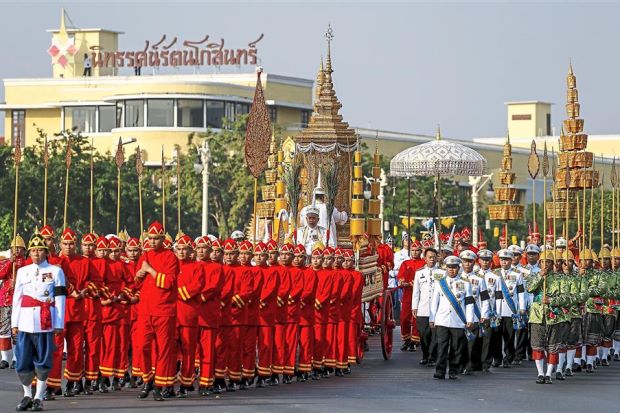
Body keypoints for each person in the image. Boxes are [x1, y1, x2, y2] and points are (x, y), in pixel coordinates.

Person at [12, 233, 66, 412]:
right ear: (29, 253)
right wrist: (15, 322)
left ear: (46, 252)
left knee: (43, 361)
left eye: (40, 250)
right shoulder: (22, 271)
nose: (36, 254)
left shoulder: (56, 271)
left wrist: (59, 323)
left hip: (45, 322)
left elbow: (60, 299)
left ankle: (38, 397)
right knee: (22, 361)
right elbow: (17, 298)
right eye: (33, 251)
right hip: (25, 322)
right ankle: (27, 395)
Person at [134, 221, 179, 401]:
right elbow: (137, 282)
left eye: (156, 239)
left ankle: (160, 386)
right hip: (145, 310)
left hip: (164, 310)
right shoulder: (144, 256)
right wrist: (139, 275)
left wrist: (150, 270)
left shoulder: (170, 257)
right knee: (141, 346)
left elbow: (169, 283)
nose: (152, 242)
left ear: (162, 238)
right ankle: (147, 378)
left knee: (164, 350)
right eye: (150, 238)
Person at [429, 256, 474, 380]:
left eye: (454, 268)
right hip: (442, 320)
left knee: (457, 347)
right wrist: (432, 319)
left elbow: (470, 303)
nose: (451, 270)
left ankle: (454, 370)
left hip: (458, 320)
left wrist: (469, 319)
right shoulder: (440, 283)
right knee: (441, 347)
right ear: (446, 268)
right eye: (449, 267)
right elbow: (434, 302)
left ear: (458, 268)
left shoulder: (465, 283)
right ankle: (440, 371)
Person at [174, 235, 205, 397]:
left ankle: (186, 383)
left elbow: (197, 286)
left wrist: (175, 293)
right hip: (171, 315)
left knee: (188, 351)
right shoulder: (171, 265)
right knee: (170, 350)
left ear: (191, 251)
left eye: (185, 249)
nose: (181, 252)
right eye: (178, 249)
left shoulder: (197, 267)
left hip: (188, 315)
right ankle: (167, 382)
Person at [493, 249, 526, 367]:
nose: (504, 262)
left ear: (511, 260)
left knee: (509, 336)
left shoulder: (517, 274)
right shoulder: (495, 274)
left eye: (506, 260)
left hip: (511, 310)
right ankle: (497, 358)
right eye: (502, 260)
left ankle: (508, 358)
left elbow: (521, 292)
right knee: (496, 335)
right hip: (497, 310)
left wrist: (522, 307)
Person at [459, 249, 490, 374]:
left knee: (473, 343)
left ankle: (471, 365)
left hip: (475, 316)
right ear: (461, 262)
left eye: (470, 262)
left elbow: (485, 299)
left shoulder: (480, 279)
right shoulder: (456, 278)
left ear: (474, 262)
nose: (467, 264)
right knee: (459, 342)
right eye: (465, 261)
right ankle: (459, 364)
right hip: (459, 316)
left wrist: (484, 314)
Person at [412, 246, 441, 366]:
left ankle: (432, 357)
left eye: (434, 257)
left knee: (435, 335)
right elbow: (416, 291)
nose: (432, 260)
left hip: (438, 309)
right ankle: (425, 355)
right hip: (423, 308)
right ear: (425, 258)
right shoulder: (419, 273)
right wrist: (414, 307)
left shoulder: (441, 272)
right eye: (430, 257)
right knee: (423, 334)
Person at [0, 235, 26, 370]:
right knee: (3, 330)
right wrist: (10, 262)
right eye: (14, 248)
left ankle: (16, 357)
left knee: (18, 330)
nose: (16, 250)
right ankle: (4, 358)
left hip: (20, 301)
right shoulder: (5, 262)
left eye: (19, 248)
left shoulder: (27, 263)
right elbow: (1, 274)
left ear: (24, 250)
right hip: (5, 300)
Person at [397, 240, 424, 351]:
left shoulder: (424, 263)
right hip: (408, 294)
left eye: (417, 250)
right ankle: (407, 339)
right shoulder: (405, 263)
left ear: (421, 251)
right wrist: (402, 282)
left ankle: (415, 340)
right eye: (412, 250)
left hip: (421, 295)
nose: (414, 253)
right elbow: (401, 277)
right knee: (404, 318)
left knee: (416, 318)